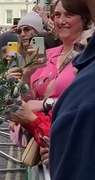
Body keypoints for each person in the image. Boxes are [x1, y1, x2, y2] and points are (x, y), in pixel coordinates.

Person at [47, 0, 95, 179]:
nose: (61, 21)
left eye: (68, 14)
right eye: (57, 15)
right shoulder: (48, 54)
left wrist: (43, 106)